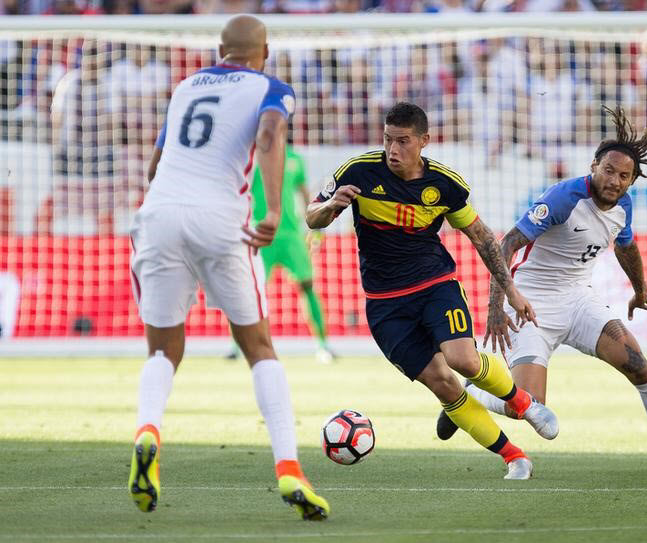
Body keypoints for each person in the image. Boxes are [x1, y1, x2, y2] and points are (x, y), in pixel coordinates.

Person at [436, 105, 647, 473]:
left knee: (640, 366)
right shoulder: (564, 198)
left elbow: (626, 245)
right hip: (530, 305)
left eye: (623, 176)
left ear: (632, 181)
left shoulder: (623, 206)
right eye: (608, 171)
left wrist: (640, 290)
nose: (614, 181)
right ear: (593, 166)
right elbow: (506, 245)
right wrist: (497, 304)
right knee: (531, 405)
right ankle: (466, 396)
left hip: (578, 299)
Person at [127, 15, 330, 520]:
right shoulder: (272, 87)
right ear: (265, 51)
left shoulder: (185, 87)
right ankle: (288, 467)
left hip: (158, 214)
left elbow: (155, 167)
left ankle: (148, 430)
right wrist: (272, 210)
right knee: (259, 346)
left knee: (163, 350)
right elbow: (267, 136)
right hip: (220, 219)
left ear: (221, 50)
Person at [306, 102, 558, 480]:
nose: (393, 149)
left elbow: (483, 238)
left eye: (403, 141)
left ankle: (524, 403)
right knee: (442, 383)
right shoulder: (357, 171)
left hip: (434, 285)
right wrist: (331, 209)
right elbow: (312, 215)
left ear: (424, 140)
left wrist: (511, 292)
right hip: (384, 304)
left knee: (463, 361)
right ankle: (514, 457)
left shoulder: (444, 184)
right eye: (388, 139)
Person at [226, 145, 335, 364]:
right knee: (250, 290)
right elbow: (239, 192)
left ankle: (323, 345)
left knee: (306, 286)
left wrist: (315, 229)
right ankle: (236, 345)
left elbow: (304, 195)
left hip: (291, 235)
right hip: (260, 233)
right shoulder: (252, 157)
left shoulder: (294, 158)